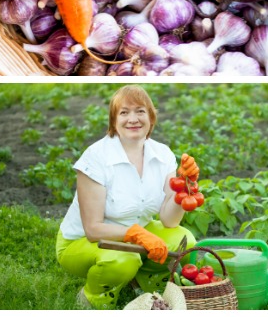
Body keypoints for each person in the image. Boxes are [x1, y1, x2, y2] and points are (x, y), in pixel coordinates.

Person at [56, 85, 201, 309]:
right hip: (81, 242)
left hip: (137, 230)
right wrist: (135, 234)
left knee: (185, 242)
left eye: (140, 111)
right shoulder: (96, 158)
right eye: (124, 113)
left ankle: (146, 283)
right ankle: (92, 298)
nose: (132, 119)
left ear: (151, 118)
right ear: (114, 121)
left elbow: (169, 220)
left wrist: (185, 190)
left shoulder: (162, 154)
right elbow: (93, 230)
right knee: (122, 259)